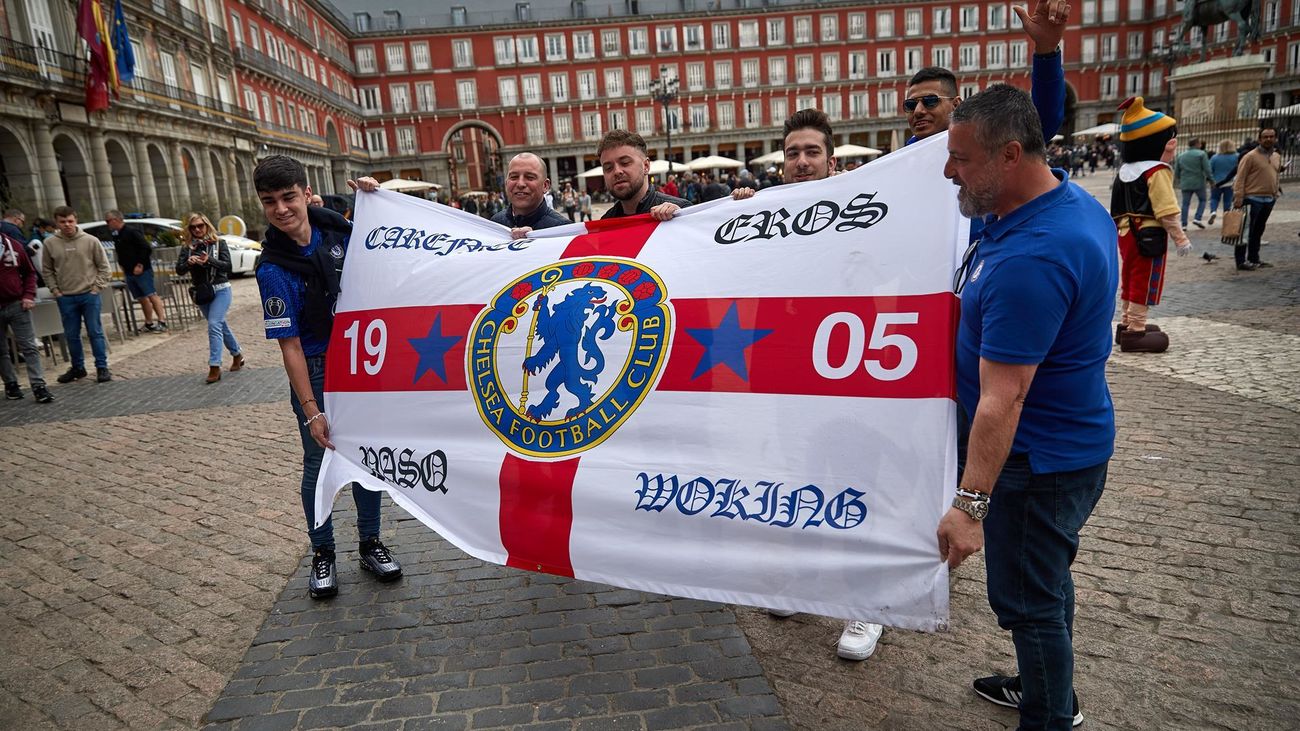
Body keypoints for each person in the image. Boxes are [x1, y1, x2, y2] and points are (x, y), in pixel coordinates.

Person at [937, 84, 1116, 731]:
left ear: (1009, 156)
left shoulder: (1032, 257)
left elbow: (1002, 398)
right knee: (1046, 583)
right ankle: (1045, 686)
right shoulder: (1034, 203)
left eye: (959, 156)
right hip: (1065, 446)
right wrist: (1047, 50)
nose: (948, 169)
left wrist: (970, 505)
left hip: (1037, 462)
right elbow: (1040, 111)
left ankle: (1048, 714)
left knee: (1026, 599)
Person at [729, 108, 884, 662]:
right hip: (790, 378)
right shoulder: (767, 213)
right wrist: (741, 223)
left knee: (856, 487)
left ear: (830, 159)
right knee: (798, 484)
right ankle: (801, 585)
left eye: (811, 152)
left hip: (849, 376)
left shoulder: (867, 210)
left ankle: (866, 605)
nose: (800, 162)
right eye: (792, 153)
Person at [253, 154, 402, 599]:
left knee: (366, 459)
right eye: (268, 201)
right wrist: (311, 409)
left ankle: (370, 542)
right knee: (317, 464)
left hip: (360, 361)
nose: (281, 209)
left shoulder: (337, 229)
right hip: (316, 369)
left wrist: (379, 205)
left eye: (287, 197)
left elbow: (387, 249)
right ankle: (323, 552)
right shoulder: (272, 268)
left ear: (304, 192)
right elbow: (291, 346)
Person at [904, 0, 1067, 147]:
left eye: (930, 101)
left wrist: (1046, 49)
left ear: (956, 105)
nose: (918, 111)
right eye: (910, 105)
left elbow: (1039, 125)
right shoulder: (902, 160)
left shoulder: (984, 142)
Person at [1110, 97, 1190, 353]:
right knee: (1144, 279)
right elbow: (1166, 209)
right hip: (1148, 233)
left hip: (1126, 232)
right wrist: (1180, 238)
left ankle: (1126, 324)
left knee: (1130, 276)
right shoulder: (1156, 171)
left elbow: (1115, 209)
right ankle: (1136, 330)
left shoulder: (1125, 171)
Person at [43, 206, 111, 384]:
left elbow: (104, 267)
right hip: (65, 296)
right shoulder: (50, 243)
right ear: (56, 223)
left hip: (89, 294)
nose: (67, 225)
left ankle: (102, 367)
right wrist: (56, 291)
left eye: (70, 221)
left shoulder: (91, 240)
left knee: (95, 332)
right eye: (62, 221)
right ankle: (77, 367)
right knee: (71, 334)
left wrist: (97, 288)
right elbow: (47, 270)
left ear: (76, 220)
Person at [176, 213, 243, 384]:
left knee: (214, 324)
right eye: (193, 227)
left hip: (221, 289)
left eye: (200, 225)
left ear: (207, 225)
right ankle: (237, 354)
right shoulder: (188, 247)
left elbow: (228, 267)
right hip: (202, 293)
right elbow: (179, 270)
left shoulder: (219, 243)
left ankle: (214, 366)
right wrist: (188, 263)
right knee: (220, 326)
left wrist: (209, 260)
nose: (197, 229)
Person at [0, 227, 52, 403]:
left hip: (17, 304)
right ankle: (11, 384)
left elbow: (30, 273)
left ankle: (39, 386)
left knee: (29, 346)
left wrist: (29, 295)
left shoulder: (13, 245)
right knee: (1, 350)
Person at [598, 130, 689, 220]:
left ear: (646, 166)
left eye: (625, 163)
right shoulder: (605, 222)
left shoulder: (680, 212)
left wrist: (681, 218)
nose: (617, 171)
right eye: (608, 168)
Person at [104, 210, 168, 333]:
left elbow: (146, 248)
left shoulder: (131, 232)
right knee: (141, 297)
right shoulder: (117, 234)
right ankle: (149, 322)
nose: (108, 224)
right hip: (129, 271)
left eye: (108, 221)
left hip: (142, 270)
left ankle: (162, 321)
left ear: (116, 220)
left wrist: (140, 264)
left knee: (151, 294)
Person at [1232, 128, 1283, 271]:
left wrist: (1275, 192)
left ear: (1275, 139)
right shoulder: (1250, 156)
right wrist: (1238, 197)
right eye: (1265, 137)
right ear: (1259, 139)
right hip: (1252, 198)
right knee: (1245, 231)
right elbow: (1240, 178)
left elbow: (1275, 173)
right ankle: (1241, 261)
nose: (1268, 139)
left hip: (1269, 198)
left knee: (1258, 230)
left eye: (1271, 137)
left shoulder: (1276, 156)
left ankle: (1254, 258)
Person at [490, 153, 570, 239]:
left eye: (529, 177)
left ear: (545, 186)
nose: (520, 184)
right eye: (514, 177)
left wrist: (535, 243)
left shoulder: (564, 231)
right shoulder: (495, 224)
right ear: (506, 183)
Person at [1174, 138, 1212, 229]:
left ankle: (1184, 224)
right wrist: (1211, 180)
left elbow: (1177, 171)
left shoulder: (1180, 155)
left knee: (1185, 204)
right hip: (1199, 182)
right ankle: (1197, 218)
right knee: (1202, 200)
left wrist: (1180, 179)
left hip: (1185, 182)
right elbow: (1207, 169)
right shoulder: (1202, 154)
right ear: (1197, 144)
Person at [1206, 138, 1239, 225]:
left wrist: (1210, 180)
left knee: (1214, 198)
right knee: (1228, 200)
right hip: (1230, 182)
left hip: (1217, 182)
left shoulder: (1215, 157)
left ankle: (1213, 211)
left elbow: (1210, 170)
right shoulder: (1236, 156)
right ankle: (1226, 217)